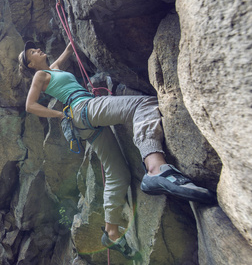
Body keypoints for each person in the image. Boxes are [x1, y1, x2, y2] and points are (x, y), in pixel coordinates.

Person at [18, 41, 215, 260]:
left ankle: (111, 232)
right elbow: (30, 105)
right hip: (83, 108)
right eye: (32, 52)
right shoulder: (39, 76)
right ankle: (156, 167)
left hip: (85, 121)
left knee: (117, 172)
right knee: (143, 105)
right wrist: (59, 115)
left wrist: (70, 44)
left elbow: (66, 53)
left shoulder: (51, 70)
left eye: (36, 48)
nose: (38, 50)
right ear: (30, 63)